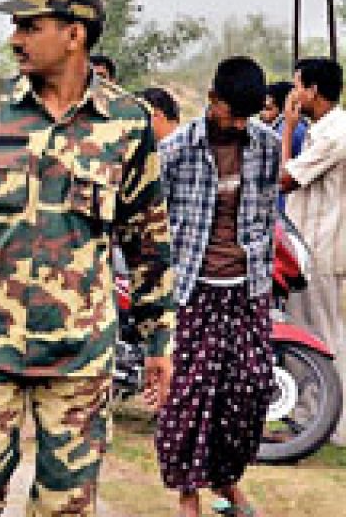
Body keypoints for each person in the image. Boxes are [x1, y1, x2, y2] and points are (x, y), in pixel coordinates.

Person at [0, 0, 175, 516]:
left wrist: (158, 342)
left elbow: (148, 240)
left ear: (74, 33)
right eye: (15, 26)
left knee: (65, 508)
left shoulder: (125, 123)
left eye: (30, 26)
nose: (15, 39)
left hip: (79, 355)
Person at [155, 57, 277, 517]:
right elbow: (153, 223)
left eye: (249, 115)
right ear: (213, 100)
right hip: (192, 289)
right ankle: (189, 494)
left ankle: (227, 482)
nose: (241, 123)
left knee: (250, 387)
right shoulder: (176, 150)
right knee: (189, 394)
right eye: (234, 113)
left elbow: (264, 211)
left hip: (247, 288)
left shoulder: (265, 146)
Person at [278, 57, 346, 444]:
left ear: (313, 91)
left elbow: (285, 178)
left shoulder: (335, 133)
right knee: (306, 328)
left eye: (297, 86)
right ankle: (307, 414)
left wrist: (288, 129)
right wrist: (290, 128)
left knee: (321, 336)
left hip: (321, 247)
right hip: (308, 246)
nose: (293, 93)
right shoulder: (320, 129)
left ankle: (329, 424)